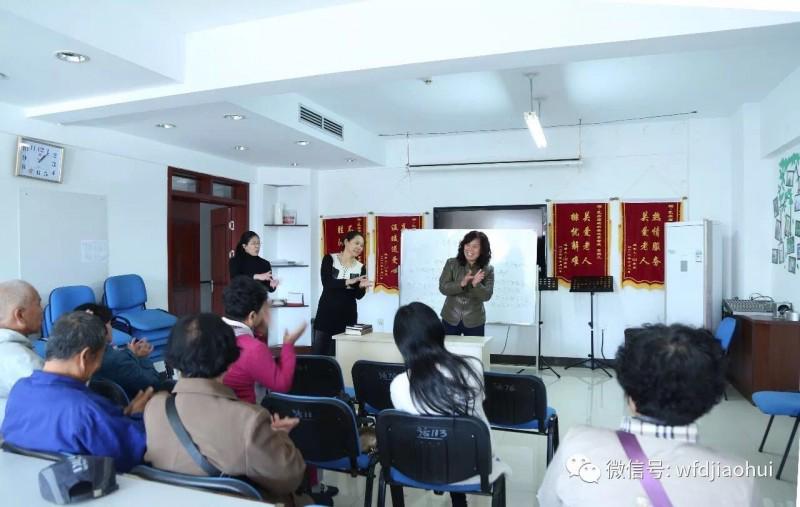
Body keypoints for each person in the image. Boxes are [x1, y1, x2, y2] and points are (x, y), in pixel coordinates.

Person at [537, 324, 758, 507]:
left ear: (630, 395)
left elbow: (547, 502)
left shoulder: (578, 446)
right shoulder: (737, 478)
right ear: (708, 401)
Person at [144, 313, 306, 504]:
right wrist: (279, 437)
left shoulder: (155, 407)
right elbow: (290, 478)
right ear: (229, 360)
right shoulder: (248, 420)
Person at [389, 302, 509, 507]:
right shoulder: (471, 367)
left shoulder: (398, 385)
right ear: (438, 331)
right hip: (474, 466)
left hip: (420, 467)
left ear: (401, 342)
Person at [2, 312, 151, 472]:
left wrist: (122, 418)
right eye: (100, 357)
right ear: (85, 357)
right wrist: (137, 416)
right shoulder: (85, 409)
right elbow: (130, 454)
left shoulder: (20, 389)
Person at [222, 275, 306, 403]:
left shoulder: (210, 333)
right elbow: (281, 385)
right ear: (252, 316)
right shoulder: (252, 349)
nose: (268, 316)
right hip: (244, 417)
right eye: (265, 311)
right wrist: (288, 345)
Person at [75, 303, 170, 399]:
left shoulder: (74, 356)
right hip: (134, 406)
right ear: (103, 328)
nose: (111, 328)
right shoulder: (118, 360)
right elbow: (154, 385)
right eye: (109, 324)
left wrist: (131, 353)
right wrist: (142, 357)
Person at [313, 230, 373, 356]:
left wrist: (361, 287)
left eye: (362, 245)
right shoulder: (330, 259)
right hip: (326, 315)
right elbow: (327, 283)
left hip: (347, 317)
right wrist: (349, 281)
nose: (359, 247)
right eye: (356, 243)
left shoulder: (360, 267)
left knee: (343, 356)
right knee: (320, 356)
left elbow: (358, 296)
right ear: (346, 242)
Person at [0, 280, 44, 427]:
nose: (42, 310)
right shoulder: (22, 360)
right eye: (38, 304)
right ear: (20, 315)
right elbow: (54, 406)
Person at [438, 230, 494, 336]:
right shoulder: (451, 263)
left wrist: (476, 284)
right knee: (448, 351)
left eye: (475, 246)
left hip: (475, 320)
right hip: (450, 318)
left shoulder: (488, 269)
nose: (470, 249)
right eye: (467, 245)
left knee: (475, 352)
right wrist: (461, 284)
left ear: (482, 250)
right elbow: (443, 287)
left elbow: (487, 296)